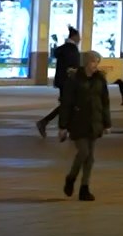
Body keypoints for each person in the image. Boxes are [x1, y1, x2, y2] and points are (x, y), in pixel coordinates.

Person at [61, 50, 110, 201]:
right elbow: (66, 103)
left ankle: (85, 187)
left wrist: (107, 123)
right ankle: (71, 178)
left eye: (97, 62)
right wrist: (63, 126)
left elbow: (105, 101)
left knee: (90, 158)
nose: (96, 65)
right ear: (86, 62)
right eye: (93, 61)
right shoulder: (74, 79)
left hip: (94, 121)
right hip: (78, 121)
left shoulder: (100, 79)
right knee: (83, 152)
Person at [37, 26, 81, 139]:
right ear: (74, 37)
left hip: (63, 81)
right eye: (78, 36)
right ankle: (50, 123)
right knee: (67, 105)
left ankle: (64, 127)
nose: (80, 39)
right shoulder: (71, 49)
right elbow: (74, 66)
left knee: (67, 104)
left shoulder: (64, 48)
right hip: (68, 82)